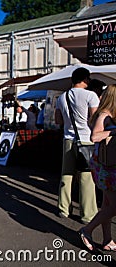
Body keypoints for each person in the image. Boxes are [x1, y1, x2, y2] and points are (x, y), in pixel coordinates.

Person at [55, 67, 99, 224]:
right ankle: (87, 214)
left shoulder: (62, 97)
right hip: (86, 139)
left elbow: (58, 121)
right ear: (86, 79)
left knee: (66, 175)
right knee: (86, 178)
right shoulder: (91, 96)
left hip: (68, 139)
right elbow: (94, 119)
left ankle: (63, 209)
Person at [78, 84, 116, 251]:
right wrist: (113, 132)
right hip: (104, 166)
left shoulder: (108, 114)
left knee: (107, 204)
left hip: (105, 165)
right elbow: (95, 136)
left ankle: (107, 239)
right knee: (113, 206)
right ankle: (86, 230)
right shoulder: (104, 115)